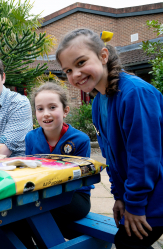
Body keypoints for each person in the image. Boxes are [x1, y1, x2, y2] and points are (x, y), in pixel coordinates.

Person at [56, 28, 163, 249]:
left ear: (103, 56)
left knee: (126, 243)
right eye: (67, 70)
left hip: (155, 197)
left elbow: (143, 157)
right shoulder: (98, 103)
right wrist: (119, 197)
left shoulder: (135, 93)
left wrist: (134, 204)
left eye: (81, 62)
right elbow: (111, 157)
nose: (74, 74)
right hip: (137, 196)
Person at [16, 82, 93, 248]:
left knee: (26, 213)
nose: (46, 114)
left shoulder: (80, 140)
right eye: (40, 109)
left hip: (74, 198)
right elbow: (30, 172)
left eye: (52, 107)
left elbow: (81, 180)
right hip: (42, 194)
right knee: (13, 217)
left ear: (65, 111)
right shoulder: (31, 137)